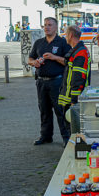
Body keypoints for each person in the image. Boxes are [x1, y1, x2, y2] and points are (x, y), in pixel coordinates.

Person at [28, 17, 71, 146]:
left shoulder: (62, 42)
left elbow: (68, 61)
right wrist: (34, 62)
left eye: (50, 25)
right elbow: (30, 58)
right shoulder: (39, 43)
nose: (47, 27)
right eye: (45, 25)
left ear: (56, 27)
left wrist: (54, 57)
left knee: (60, 110)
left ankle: (66, 138)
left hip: (57, 82)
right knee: (44, 110)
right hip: (41, 82)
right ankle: (46, 136)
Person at [57, 26, 91, 119]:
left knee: (73, 130)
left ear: (71, 35)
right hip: (71, 98)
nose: (65, 37)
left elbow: (78, 78)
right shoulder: (78, 50)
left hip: (72, 100)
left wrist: (74, 101)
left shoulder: (80, 53)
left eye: (66, 34)